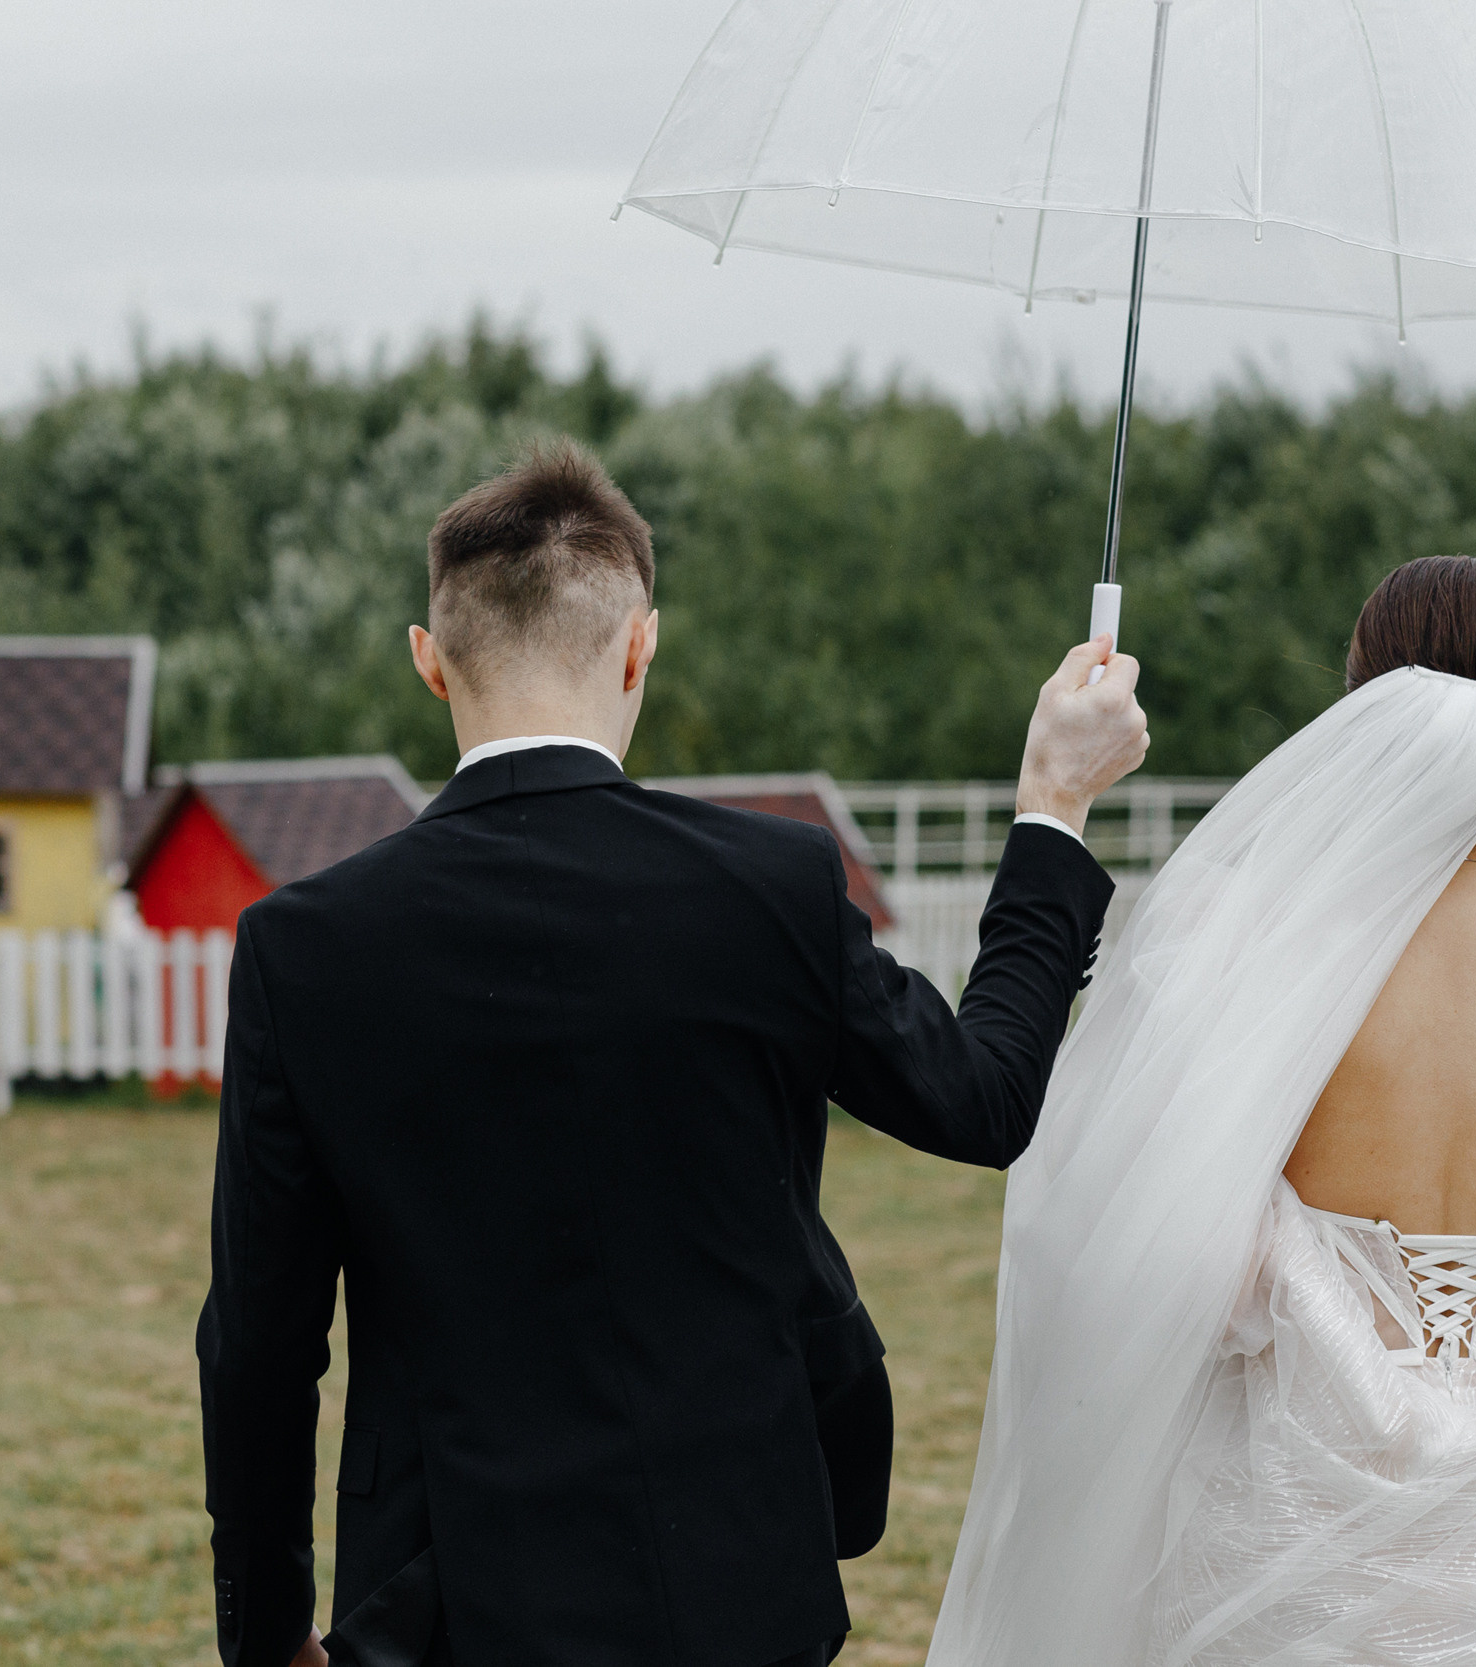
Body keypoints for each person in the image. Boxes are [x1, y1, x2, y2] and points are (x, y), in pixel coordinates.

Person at [195, 439, 1150, 1667]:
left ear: (429, 663)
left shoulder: (305, 946)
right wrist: (1052, 805)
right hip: (735, 1574)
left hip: (442, 1601)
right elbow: (981, 1097)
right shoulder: (768, 890)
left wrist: (267, 1636)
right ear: (641, 643)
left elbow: (259, 1343)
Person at [930, 556, 1476, 1666]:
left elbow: (1151, 1265)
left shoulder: (1239, 960)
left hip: (1287, 1546)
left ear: (1361, 726)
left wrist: (1314, 1284)